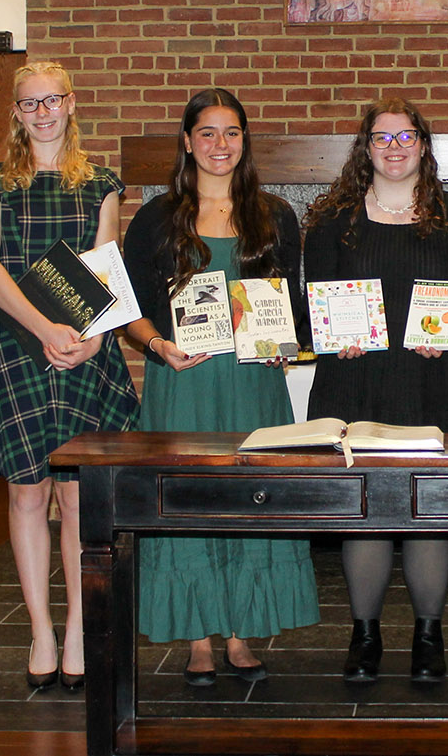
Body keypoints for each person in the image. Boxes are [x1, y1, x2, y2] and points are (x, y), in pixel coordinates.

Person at [122, 88, 319, 686]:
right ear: (187, 141)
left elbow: (290, 307)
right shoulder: (158, 217)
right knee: (189, 499)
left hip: (254, 383)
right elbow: (128, 307)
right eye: (206, 133)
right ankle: (199, 640)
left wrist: (288, 343)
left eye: (231, 133)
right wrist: (157, 345)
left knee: (248, 496)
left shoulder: (276, 215)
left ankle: (240, 634)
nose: (219, 145)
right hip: (182, 382)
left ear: (244, 141)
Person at [0, 61, 140, 692]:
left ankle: (77, 631)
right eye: (29, 103)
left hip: (84, 350)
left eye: (52, 100)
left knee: (74, 497)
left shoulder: (101, 184)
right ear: (15, 112)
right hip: (18, 348)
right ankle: (39, 628)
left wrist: (92, 341)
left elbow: (106, 268)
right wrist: (43, 328)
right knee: (27, 493)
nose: (42, 112)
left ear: (72, 103)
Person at [303, 97, 448, 685]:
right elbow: (313, 309)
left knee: (427, 511)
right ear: (366, 147)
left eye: (407, 138)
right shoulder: (331, 219)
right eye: (383, 138)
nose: (395, 148)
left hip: (435, 384)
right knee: (366, 513)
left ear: (424, 146)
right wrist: (333, 335)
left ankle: (429, 635)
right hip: (355, 385)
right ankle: (365, 633)